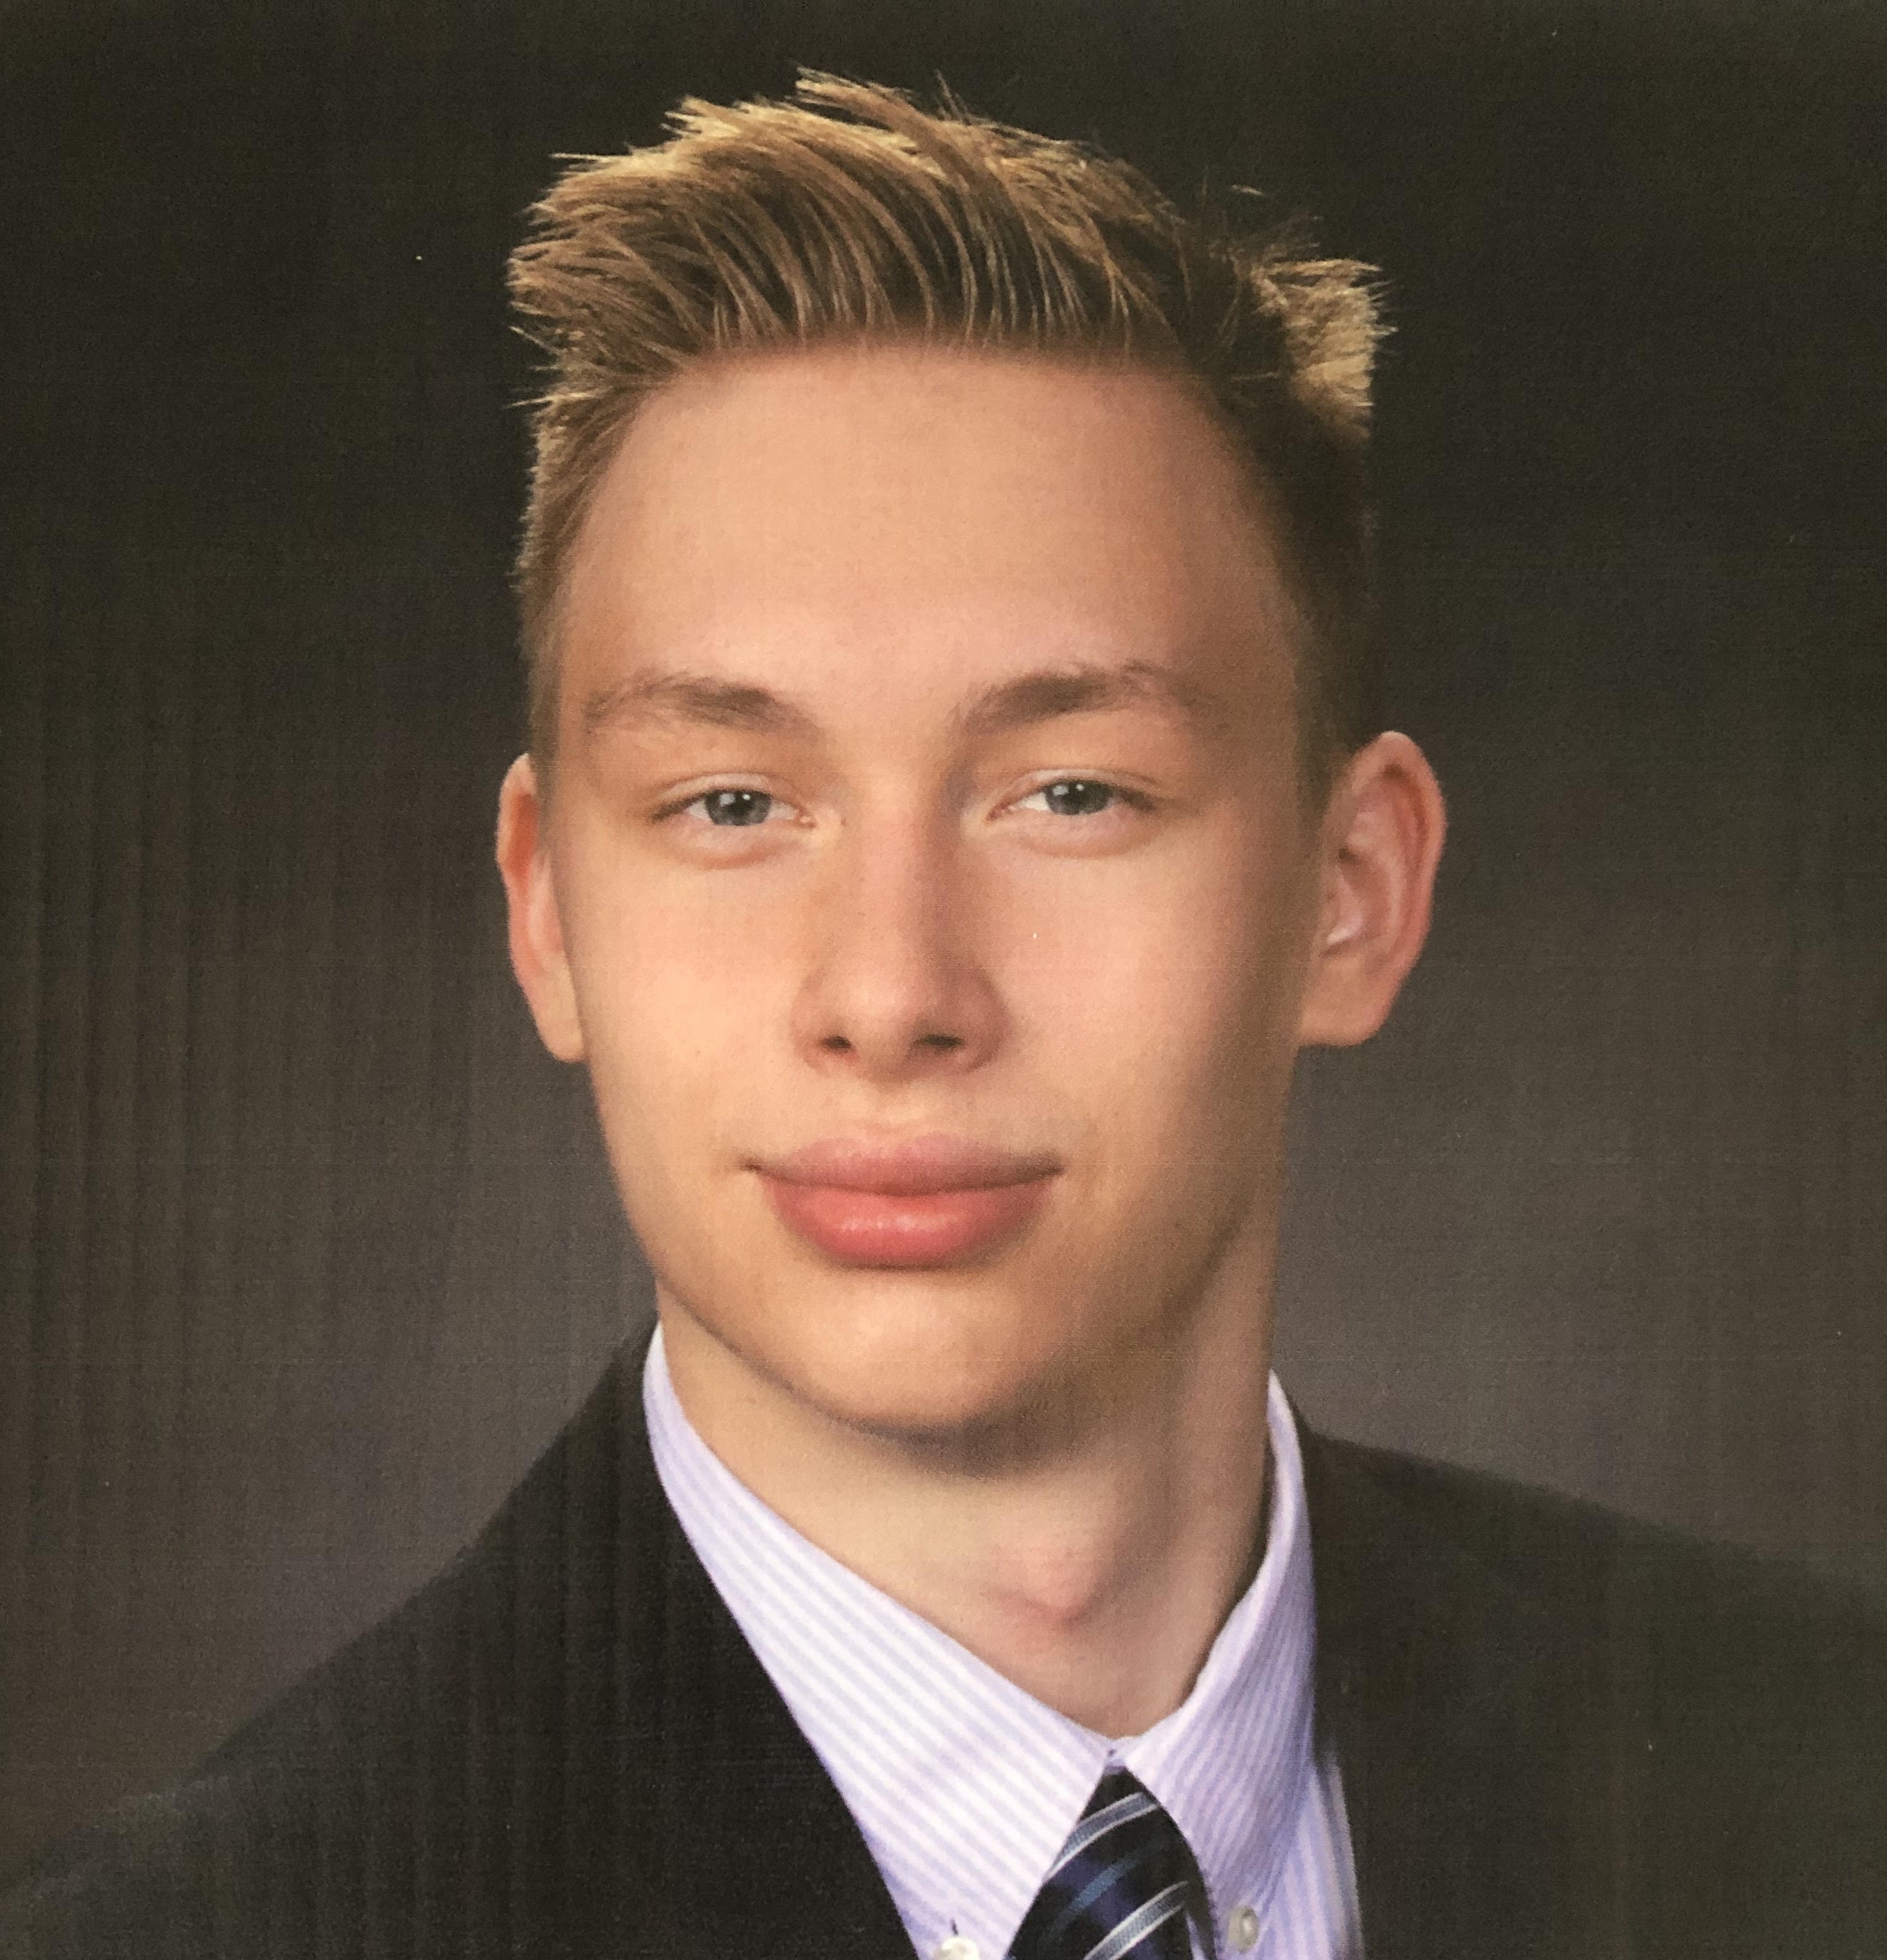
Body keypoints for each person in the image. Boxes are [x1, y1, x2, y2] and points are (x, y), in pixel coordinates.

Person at [5, 71, 1882, 1960]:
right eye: (731, 803)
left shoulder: (1827, 1778)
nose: (893, 996)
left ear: (1354, 889)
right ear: (549, 910)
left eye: (1071, 792)